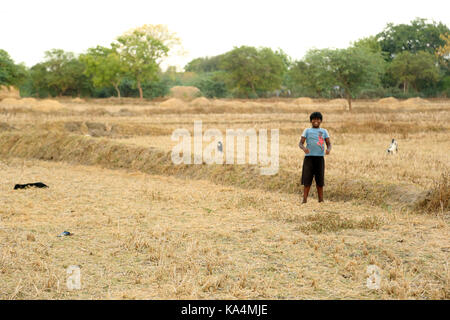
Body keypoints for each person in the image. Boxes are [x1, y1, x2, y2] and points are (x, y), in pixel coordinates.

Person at [298, 112, 332, 203]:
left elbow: (329, 144)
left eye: (318, 119)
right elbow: (300, 143)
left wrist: (328, 150)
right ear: (311, 121)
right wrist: (304, 148)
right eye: (314, 119)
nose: (316, 121)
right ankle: (304, 200)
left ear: (321, 121)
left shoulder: (324, 131)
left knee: (320, 180)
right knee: (307, 179)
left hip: (320, 158)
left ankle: (321, 200)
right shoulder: (307, 131)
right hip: (309, 158)